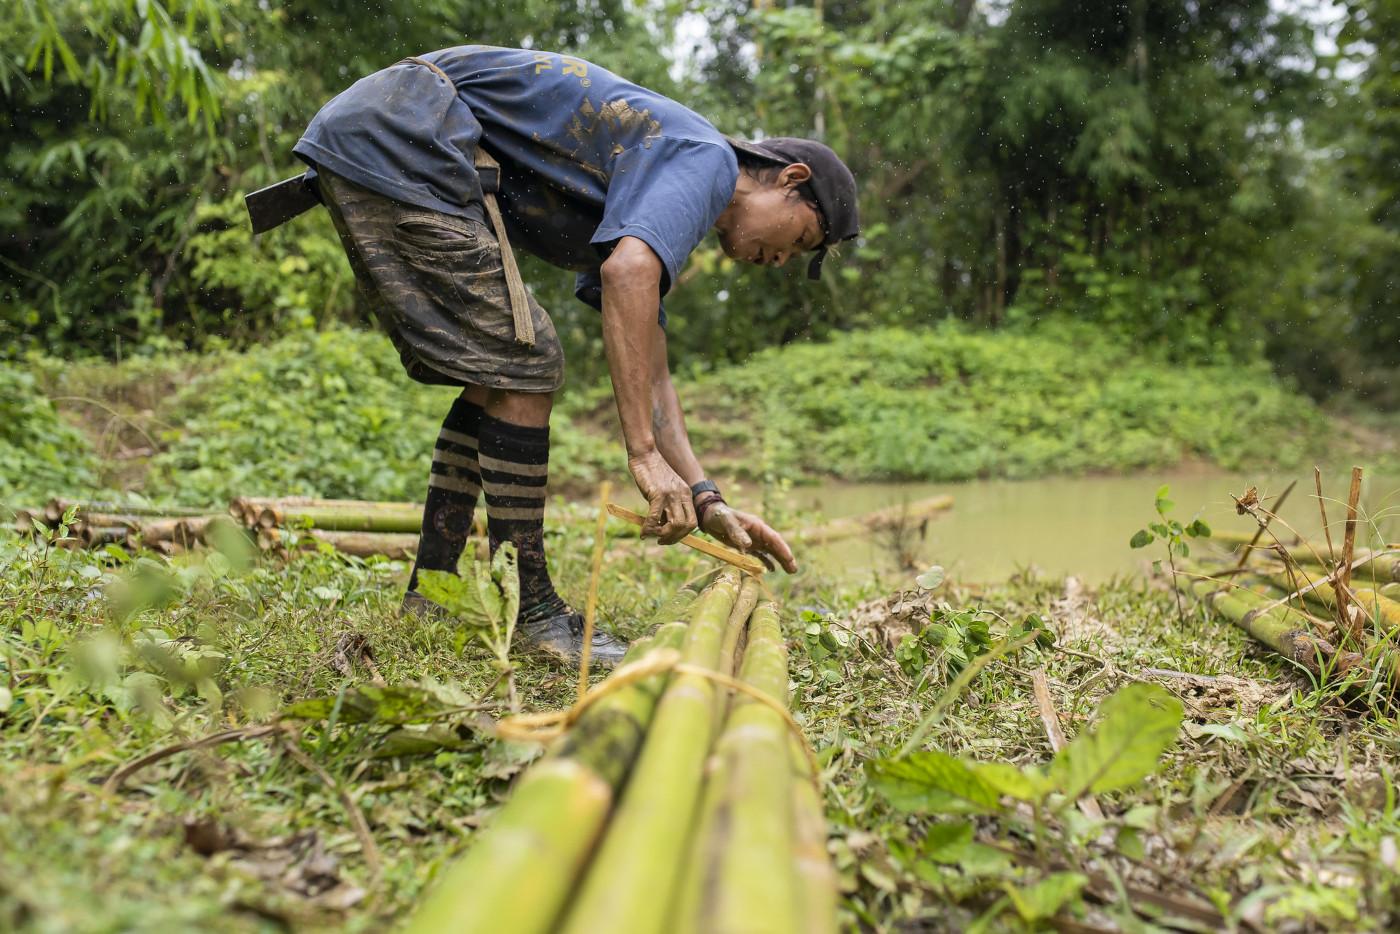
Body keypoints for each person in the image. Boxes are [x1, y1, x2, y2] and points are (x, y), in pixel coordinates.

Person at [248, 45, 860, 666]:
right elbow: (627, 274)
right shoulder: (707, 161)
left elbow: (652, 372)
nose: (781, 260)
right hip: (406, 134)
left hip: (391, 135)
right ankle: (534, 614)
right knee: (528, 362)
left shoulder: (666, 184)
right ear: (790, 180)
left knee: (504, 370)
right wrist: (641, 457)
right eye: (800, 239)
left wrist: (707, 500)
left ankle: (430, 594)